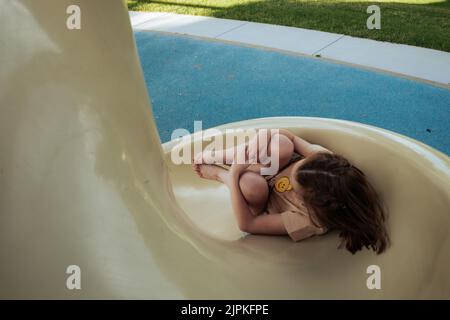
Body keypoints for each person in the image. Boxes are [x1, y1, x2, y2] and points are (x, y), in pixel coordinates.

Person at [192, 129, 389, 254]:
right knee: (283, 145)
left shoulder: (309, 221)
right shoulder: (327, 164)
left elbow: (248, 224)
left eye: (295, 185)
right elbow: (291, 137)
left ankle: (222, 173)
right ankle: (219, 156)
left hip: (262, 198)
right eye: (300, 164)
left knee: (253, 185)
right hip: (268, 168)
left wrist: (233, 174)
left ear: (311, 200)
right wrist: (264, 136)